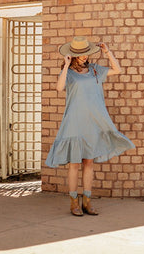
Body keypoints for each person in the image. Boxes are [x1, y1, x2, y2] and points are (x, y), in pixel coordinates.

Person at [45, 36, 135, 216]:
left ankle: (87, 201)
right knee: (75, 164)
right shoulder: (68, 73)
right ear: (73, 55)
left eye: (86, 53)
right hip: (74, 122)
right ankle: (73, 203)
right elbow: (59, 88)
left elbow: (118, 70)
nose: (84, 57)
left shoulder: (94, 70)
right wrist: (65, 66)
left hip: (93, 122)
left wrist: (107, 52)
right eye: (80, 54)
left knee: (89, 162)